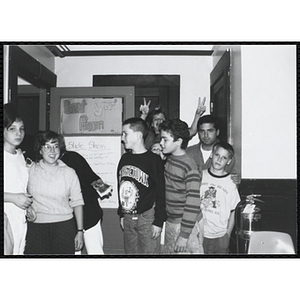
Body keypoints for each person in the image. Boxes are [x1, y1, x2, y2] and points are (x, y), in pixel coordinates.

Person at [24, 130, 84, 255]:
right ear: (40, 150)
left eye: (55, 146)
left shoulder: (69, 172)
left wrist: (80, 231)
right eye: (47, 146)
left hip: (64, 228)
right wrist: (28, 208)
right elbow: (23, 194)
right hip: (36, 229)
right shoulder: (30, 171)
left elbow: (77, 202)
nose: (52, 151)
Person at [117, 117, 166, 254]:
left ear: (138, 135)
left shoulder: (153, 160)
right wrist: (121, 213)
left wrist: (158, 221)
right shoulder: (125, 158)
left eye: (125, 133)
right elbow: (120, 185)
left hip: (147, 217)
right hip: (128, 216)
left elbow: (161, 192)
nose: (122, 137)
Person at [159, 119, 202, 254]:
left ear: (178, 141)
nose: (161, 143)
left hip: (186, 225)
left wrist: (184, 236)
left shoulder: (189, 165)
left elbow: (193, 202)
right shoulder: (170, 159)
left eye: (165, 140)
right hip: (172, 222)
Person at [60, 148, 112, 255]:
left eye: (55, 146)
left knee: (95, 250)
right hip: (67, 217)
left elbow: (91, 178)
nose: (52, 151)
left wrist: (102, 188)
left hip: (89, 212)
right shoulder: (44, 166)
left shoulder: (71, 157)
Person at [200, 141, 241, 254]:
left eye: (224, 158)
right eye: (217, 155)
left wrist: (227, 234)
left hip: (220, 236)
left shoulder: (231, 182)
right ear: (211, 154)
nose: (219, 160)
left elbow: (234, 210)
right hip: (199, 233)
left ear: (228, 161)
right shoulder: (201, 176)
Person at [3, 103, 33, 255]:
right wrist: (13, 198)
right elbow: (15, 195)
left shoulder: (21, 157)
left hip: (20, 220)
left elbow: (21, 187)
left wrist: (28, 206)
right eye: (12, 129)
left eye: (21, 129)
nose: (18, 133)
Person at [186, 114, 240, 184]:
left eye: (210, 131)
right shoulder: (188, 153)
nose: (206, 135)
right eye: (202, 131)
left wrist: (237, 180)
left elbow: (234, 180)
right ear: (198, 133)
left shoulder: (228, 154)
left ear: (217, 132)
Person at [139, 97, 207, 150]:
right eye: (156, 119)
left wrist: (198, 114)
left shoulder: (172, 132)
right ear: (152, 124)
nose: (159, 121)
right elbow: (136, 129)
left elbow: (192, 131)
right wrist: (144, 115)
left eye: (161, 119)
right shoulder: (148, 135)